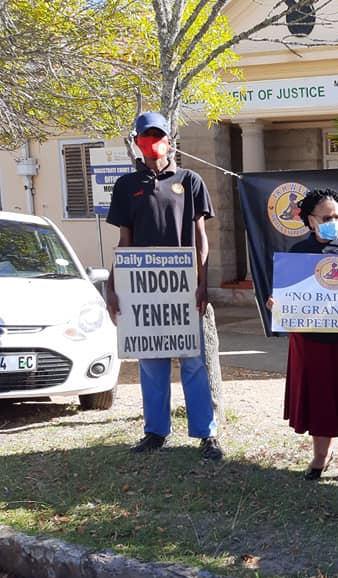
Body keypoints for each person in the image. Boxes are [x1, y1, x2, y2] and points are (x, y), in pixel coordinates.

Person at [106, 111, 222, 461]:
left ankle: (207, 435)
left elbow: (202, 237)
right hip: (143, 291)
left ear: (170, 141)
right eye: (146, 137)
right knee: (151, 364)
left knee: (194, 363)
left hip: (185, 289)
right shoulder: (127, 186)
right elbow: (124, 240)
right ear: (137, 142)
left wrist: (203, 282)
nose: (152, 143)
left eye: (158, 136)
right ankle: (156, 432)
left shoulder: (190, 181)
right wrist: (112, 285)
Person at [267, 188, 338, 483]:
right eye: (328, 217)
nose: (335, 221)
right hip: (310, 340)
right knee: (318, 396)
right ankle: (321, 455)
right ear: (309, 220)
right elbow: (285, 299)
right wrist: (278, 305)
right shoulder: (295, 255)